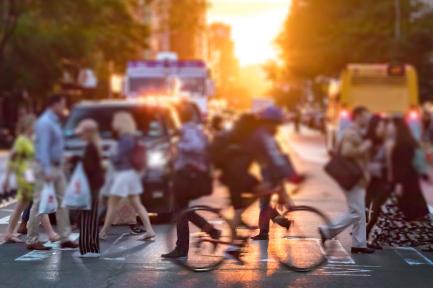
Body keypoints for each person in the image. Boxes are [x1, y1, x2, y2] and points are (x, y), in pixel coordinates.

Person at [369, 117, 433, 252]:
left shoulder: (403, 144)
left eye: (392, 125)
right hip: (404, 184)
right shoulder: (401, 142)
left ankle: (378, 239)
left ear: (398, 127)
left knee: (390, 211)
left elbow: (403, 166)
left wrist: (399, 183)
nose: (389, 127)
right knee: (403, 214)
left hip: (405, 184)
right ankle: (380, 239)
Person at [161, 110, 219, 259]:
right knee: (183, 210)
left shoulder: (188, 130)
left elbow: (196, 147)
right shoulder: (195, 129)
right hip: (188, 176)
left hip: (187, 177)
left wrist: (179, 146)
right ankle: (211, 231)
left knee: (180, 212)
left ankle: (181, 248)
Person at [320, 106, 375, 254]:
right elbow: (347, 152)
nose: (368, 118)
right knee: (356, 212)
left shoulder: (356, 131)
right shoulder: (352, 132)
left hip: (357, 176)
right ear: (357, 116)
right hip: (352, 176)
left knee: (360, 211)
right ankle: (327, 230)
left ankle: (359, 244)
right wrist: (365, 147)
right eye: (365, 115)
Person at [26, 95, 78, 251]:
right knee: (39, 202)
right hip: (45, 167)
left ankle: (65, 237)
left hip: (57, 166)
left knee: (63, 201)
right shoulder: (45, 122)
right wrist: (47, 169)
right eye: (62, 104)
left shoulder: (55, 121)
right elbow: (43, 147)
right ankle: (32, 239)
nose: (64, 107)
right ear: (55, 104)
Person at [2, 115, 59, 243]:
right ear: (28, 125)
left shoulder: (31, 139)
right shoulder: (21, 140)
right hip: (25, 175)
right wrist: (6, 178)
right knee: (39, 202)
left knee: (21, 205)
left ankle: (9, 233)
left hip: (31, 173)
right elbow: (13, 159)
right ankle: (51, 233)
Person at [99, 112, 155, 241]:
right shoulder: (133, 138)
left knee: (112, 204)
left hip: (123, 175)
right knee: (136, 203)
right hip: (132, 175)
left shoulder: (125, 139)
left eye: (115, 121)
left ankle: (103, 232)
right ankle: (150, 230)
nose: (113, 124)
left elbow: (118, 158)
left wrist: (107, 160)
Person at [73, 119, 105, 257]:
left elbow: (89, 168)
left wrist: (76, 163)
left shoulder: (90, 147)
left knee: (87, 218)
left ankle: (87, 248)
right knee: (91, 217)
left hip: (90, 187)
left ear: (88, 132)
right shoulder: (95, 145)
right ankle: (93, 248)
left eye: (83, 133)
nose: (81, 136)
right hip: (95, 186)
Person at [364, 115, 390, 239]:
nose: (383, 128)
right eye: (380, 125)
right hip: (369, 179)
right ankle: (362, 234)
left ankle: (366, 233)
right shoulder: (369, 141)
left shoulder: (383, 140)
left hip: (379, 179)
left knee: (376, 209)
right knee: (361, 210)